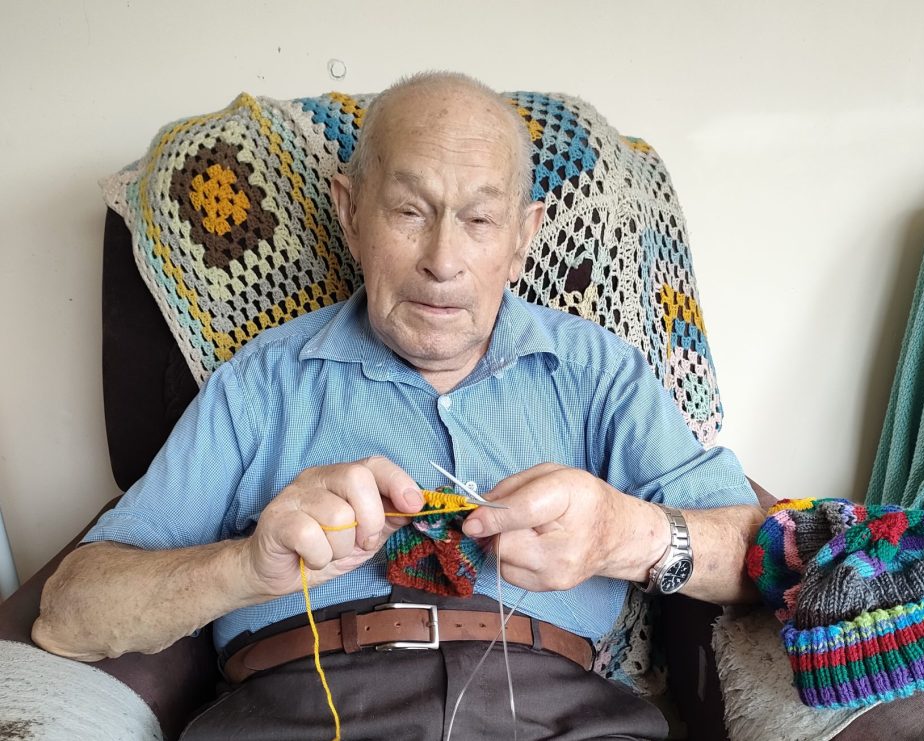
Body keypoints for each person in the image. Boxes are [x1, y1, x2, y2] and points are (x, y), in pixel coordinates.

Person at [32, 72, 764, 740]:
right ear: (351, 215)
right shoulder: (260, 384)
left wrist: (621, 533)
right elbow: (67, 616)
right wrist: (247, 566)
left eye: (479, 221)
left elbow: (765, 552)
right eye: (410, 210)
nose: (442, 261)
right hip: (301, 712)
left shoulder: (598, 373)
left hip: (557, 715)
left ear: (523, 238)